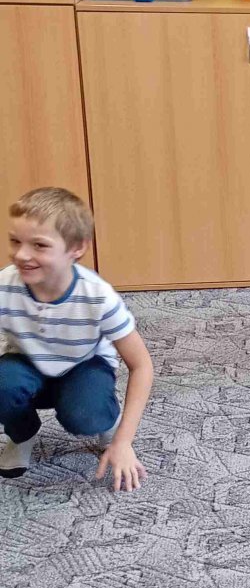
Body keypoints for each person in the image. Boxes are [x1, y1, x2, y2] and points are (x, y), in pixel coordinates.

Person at [1, 187, 154, 491]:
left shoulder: (98, 296)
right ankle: (22, 433)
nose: (21, 255)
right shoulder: (5, 285)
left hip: (83, 366)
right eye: (15, 241)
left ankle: (106, 420)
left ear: (76, 248)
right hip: (27, 364)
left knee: (85, 414)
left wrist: (124, 440)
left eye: (39, 245)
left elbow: (142, 365)